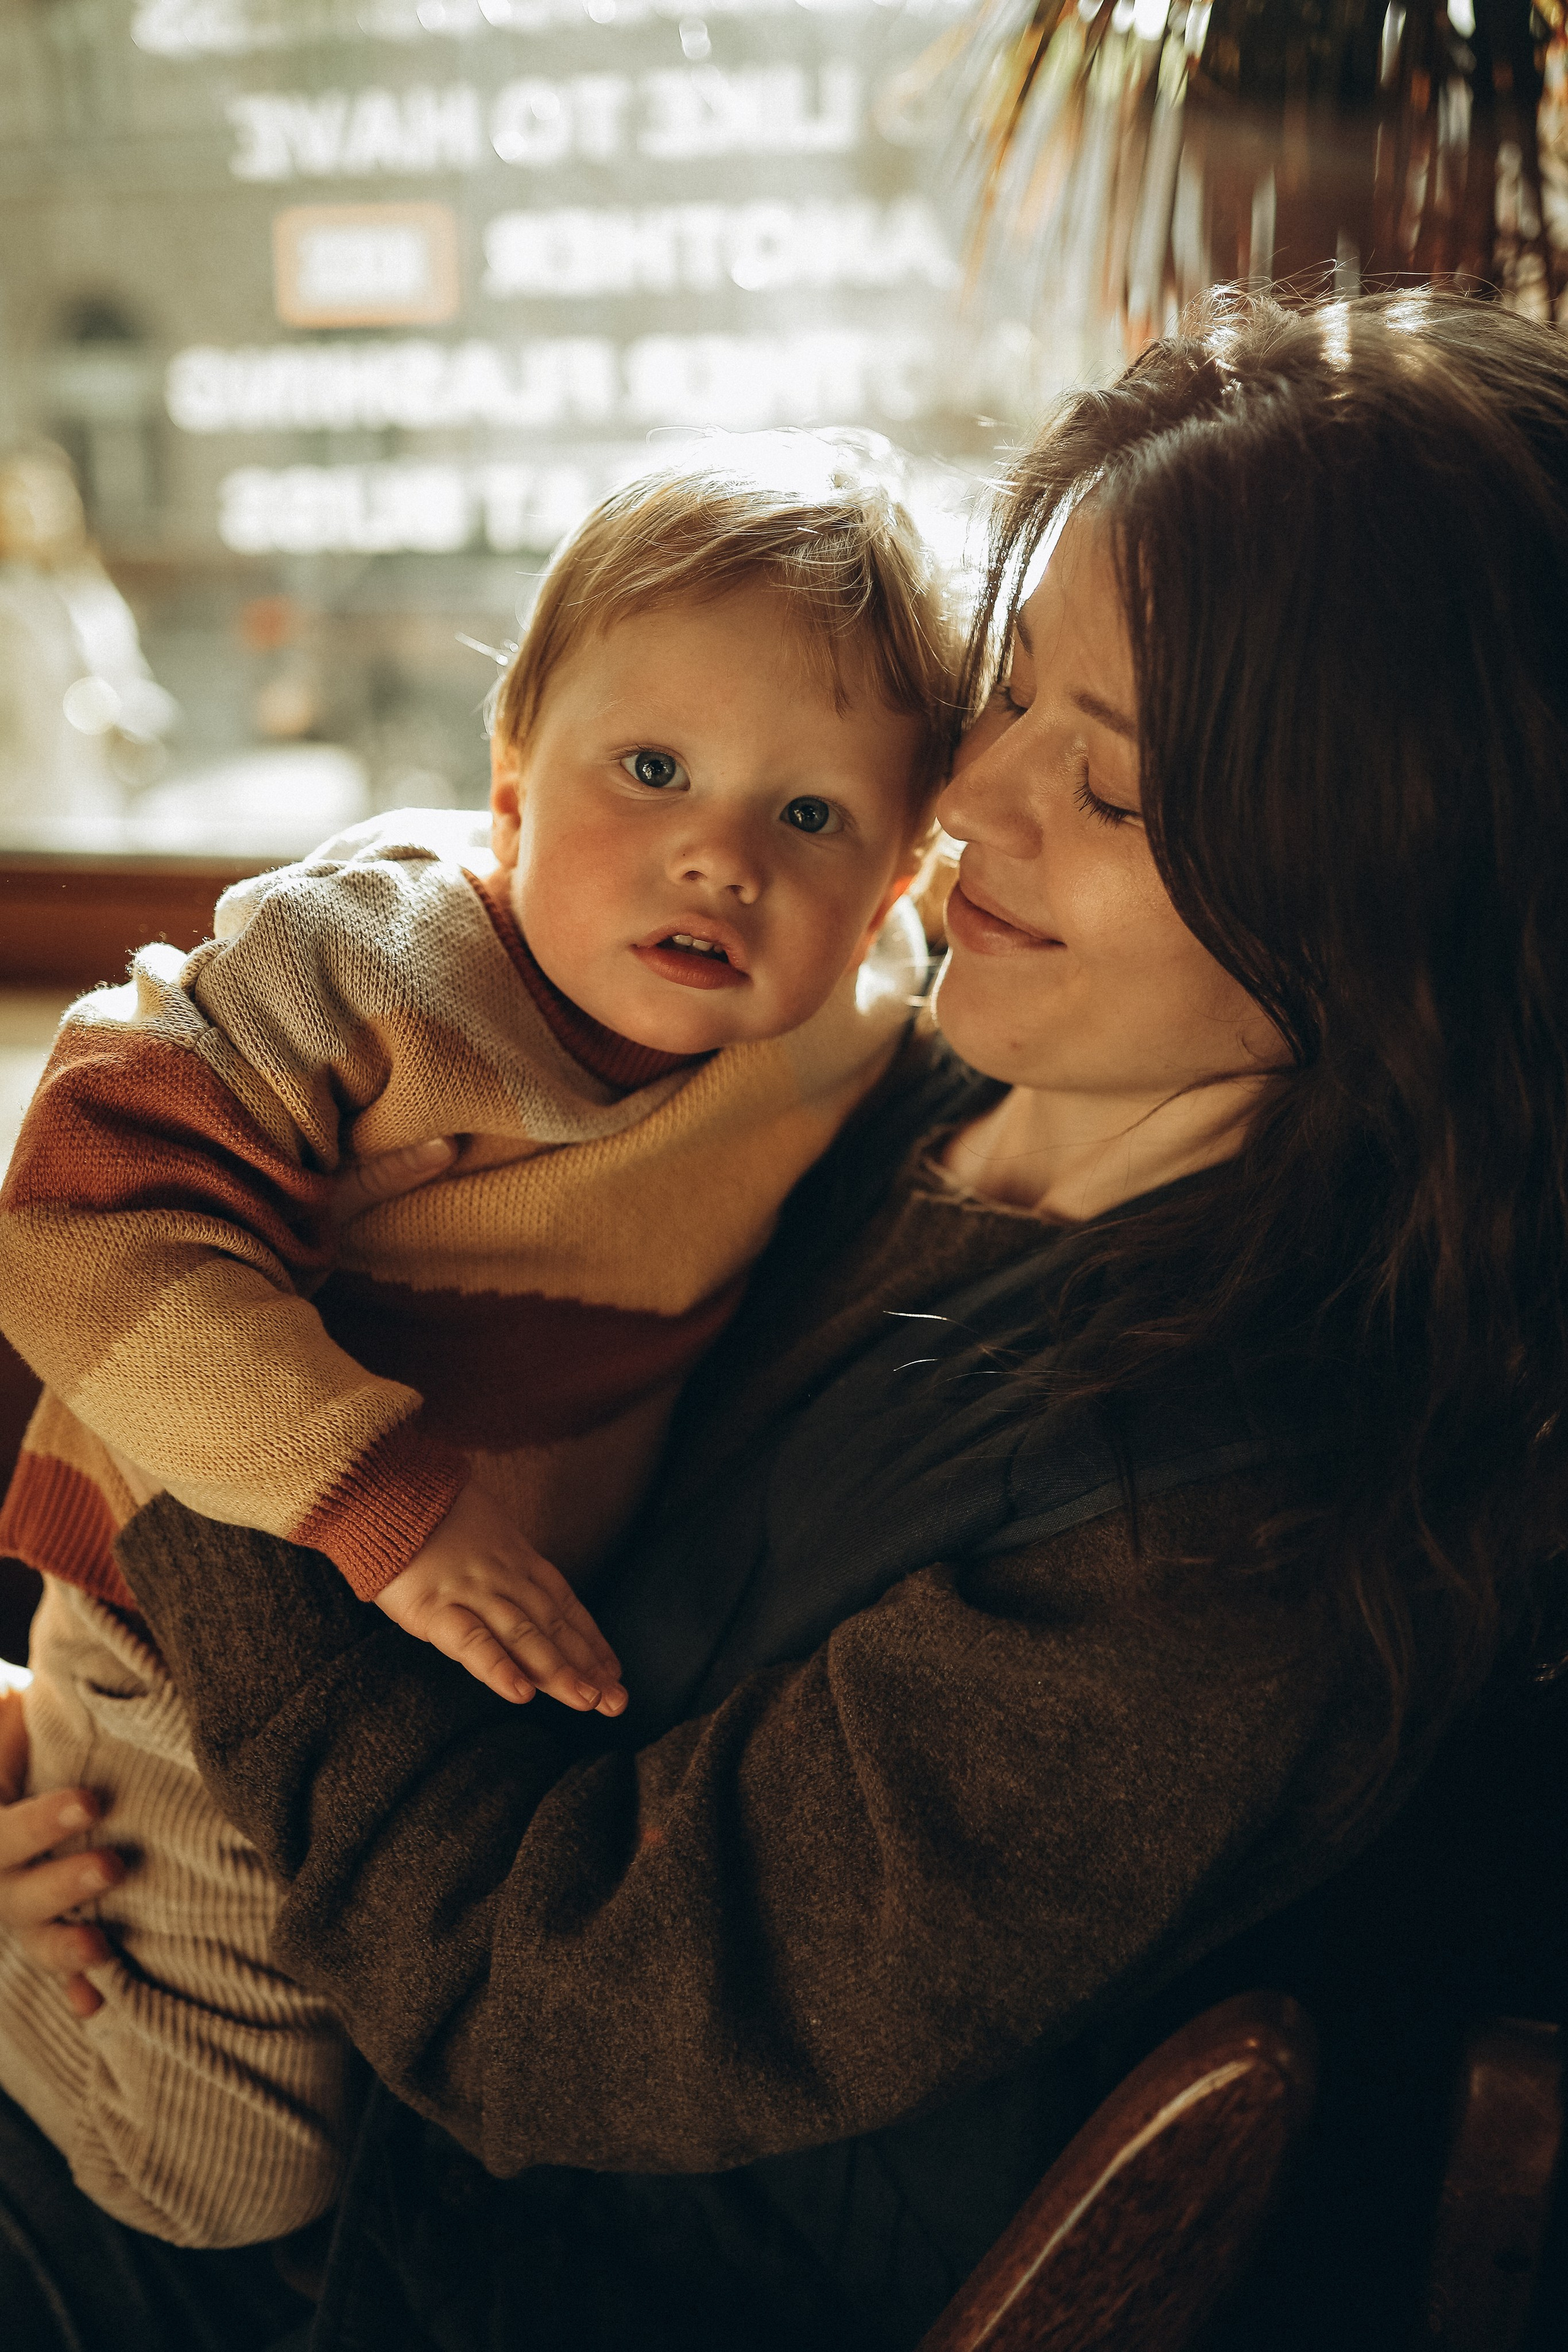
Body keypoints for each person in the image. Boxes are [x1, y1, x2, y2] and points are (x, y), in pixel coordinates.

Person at [2, 284, 1566, 2352]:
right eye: (1005, 699)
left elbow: (538, 2007)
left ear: (1389, 891)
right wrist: (63, 1760)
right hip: (222, 2002)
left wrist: (215, 1473)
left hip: (417, 2259)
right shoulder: (873, 1101)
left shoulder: (1224, 1530)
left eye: (1112, 792)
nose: (970, 808)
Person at [0, 451, 953, 2247]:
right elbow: (79, 1206)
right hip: (194, 1618)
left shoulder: (845, 1031)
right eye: (651, 768)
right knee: (231, 2188)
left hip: (439, 1683)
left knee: (402, 2111)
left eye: (811, 818)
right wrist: (386, 1500)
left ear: (906, 870)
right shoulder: (368, 961)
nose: (720, 855)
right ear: (511, 775)